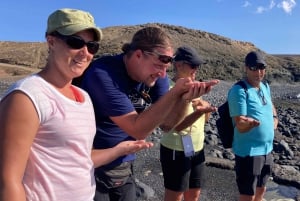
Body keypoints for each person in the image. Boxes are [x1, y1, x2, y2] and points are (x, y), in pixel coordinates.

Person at [0, 8, 153, 201]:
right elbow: (8, 181)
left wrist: (121, 149)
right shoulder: (27, 97)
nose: (85, 53)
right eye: (75, 42)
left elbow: (79, 159)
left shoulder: (83, 97)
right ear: (51, 41)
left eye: (92, 46)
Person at [80, 26, 219, 201]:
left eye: (166, 68)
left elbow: (168, 125)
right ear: (138, 55)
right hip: (90, 165)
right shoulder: (103, 74)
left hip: (124, 162)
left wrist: (183, 99)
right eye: (158, 66)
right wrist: (175, 93)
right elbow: (137, 129)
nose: (162, 74)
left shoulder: (156, 76)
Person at [159, 46, 217, 201]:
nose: (196, 69)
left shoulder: (196, 88)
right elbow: (175, 126)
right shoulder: (168, 89)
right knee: (175, 195)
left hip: (196, 148)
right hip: (175, 148)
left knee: (194, 193)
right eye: (193, 65)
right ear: (178, 65)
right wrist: (199, 111)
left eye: (197, 65)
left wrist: (206, 108)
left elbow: (205, 120)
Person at [227, 51, 278, 201]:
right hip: (249, 152)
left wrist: (274, 117)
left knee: (262, 188)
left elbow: (271, 104)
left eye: (262, 67)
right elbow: (240, 124)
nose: (258, 72)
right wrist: (250, 125)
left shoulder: (265, 87)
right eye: (254, 68)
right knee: (247, 195)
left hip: (267, 149)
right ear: (246, 68)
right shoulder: (239, 90)